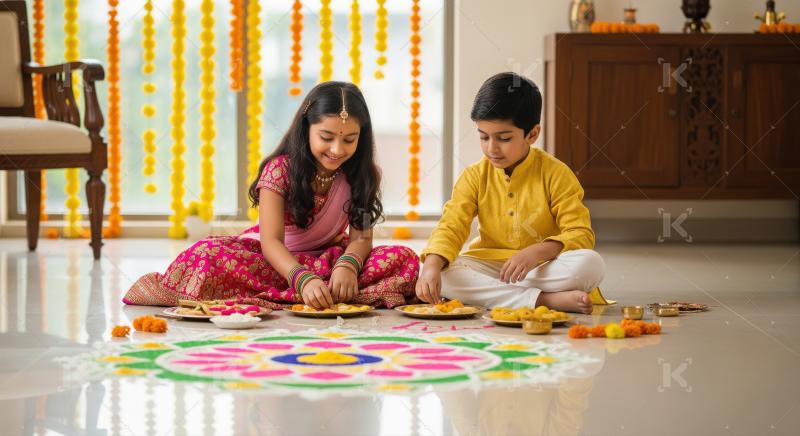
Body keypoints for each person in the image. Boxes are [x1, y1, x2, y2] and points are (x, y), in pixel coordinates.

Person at [124, 82, 419, 310]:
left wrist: (348, 266)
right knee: (206, 256)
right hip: (275, 260)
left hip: (330, 261)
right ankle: (311, 291)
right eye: (326, 137)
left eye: (349, 139)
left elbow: (361, 238)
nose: (338, 149)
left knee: (404, 259)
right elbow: (271, 242)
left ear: (361, 136)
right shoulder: (279, 170)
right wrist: (301, 277)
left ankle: (328, 288)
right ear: (306, 130)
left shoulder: (364, 174)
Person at [415, 72, 604, 314]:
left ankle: (504, 295)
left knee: (590, 264)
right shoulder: (474, 176)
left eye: (503, 138)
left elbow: (580, 233)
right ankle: (544, 301)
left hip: (542, 267)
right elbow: (451, 225)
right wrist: (431, 265)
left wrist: (537, 252)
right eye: (483, 137)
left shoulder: (557, 174)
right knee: (446, 273)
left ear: (532, 134)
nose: (491, 148)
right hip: (491, 266)